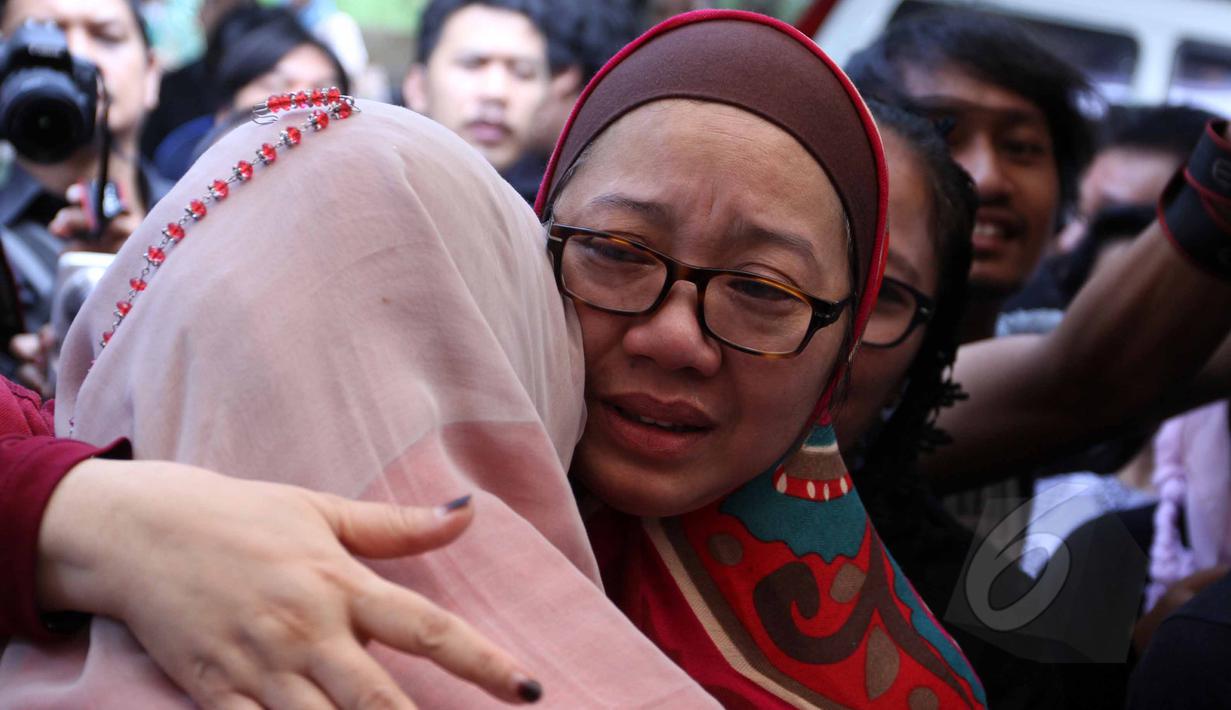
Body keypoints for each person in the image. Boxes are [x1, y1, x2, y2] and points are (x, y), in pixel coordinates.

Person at [5, 11, 987, 708]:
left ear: (840, 347)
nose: (674, 337)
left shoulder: (897, 686)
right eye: (617, 252)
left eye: (763, 290)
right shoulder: (130, 516)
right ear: (513, 256)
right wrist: (88, 518)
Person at [846, 7, 1095, 343]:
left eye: (1020, 147)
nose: (987, 179)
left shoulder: (1085, 359)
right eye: (939, 136)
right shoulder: (796, 357)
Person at [0, 0, 167, 373]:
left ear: (152, 74)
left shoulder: (213, 215)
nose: (75, 54)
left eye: (107, 36)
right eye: (40, 35)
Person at [151, 6, 348, 180]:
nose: (304, 102)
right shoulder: (180, 182)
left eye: (324, 91)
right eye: (276, 84)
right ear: (225, 109)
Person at [403, 0, 552, 177]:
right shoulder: (378, 181)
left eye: (522, 71)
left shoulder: (565, 192)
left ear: (547, 100)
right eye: (471, 64)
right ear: (419, 87)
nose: (496, 92)